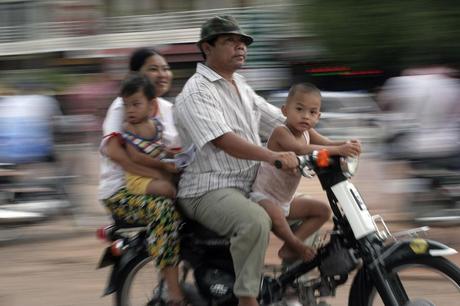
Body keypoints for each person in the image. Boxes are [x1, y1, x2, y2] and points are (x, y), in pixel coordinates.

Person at [173, 15, 299, 306]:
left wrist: (332, 145)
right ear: (207, 47)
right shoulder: (196, 91)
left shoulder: (240, 85)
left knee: (312, 210)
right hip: (207, 189)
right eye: (230, 41)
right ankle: (247, 299)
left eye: (242, 42)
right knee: (255, 220)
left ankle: (290, 284)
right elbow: (223, 140)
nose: (240, 47)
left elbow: (281, 122)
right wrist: (273, 156)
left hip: (247, 185)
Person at [99, 48, 187, 305]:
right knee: (163, 209)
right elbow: (119, 155)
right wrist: (160, 173)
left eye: (165, 68)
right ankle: (173, 292)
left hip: (160, 180)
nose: (162, 74)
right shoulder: (124, 106)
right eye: (153, 68)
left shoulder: (169, 109)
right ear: (135, 75)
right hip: (121, 191)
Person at [251, 83, 361, 262]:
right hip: (263, 197)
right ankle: (295, 244)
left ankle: (288, 249)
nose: (305, 116)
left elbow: (327, 143)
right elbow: (301, 149)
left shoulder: (307, 131)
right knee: (277, 216)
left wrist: (349, 144)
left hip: (286, 200)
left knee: (323, 211)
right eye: (299, 109)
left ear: (318, 116)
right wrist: (340, 149)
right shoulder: (281, 132)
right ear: (285, 110)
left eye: (312, 112)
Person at [120, 73, 178, 199]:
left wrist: (172, 155)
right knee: (167, 189)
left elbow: (159, 148)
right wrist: (162, 165)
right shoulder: (130, 128)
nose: (129, 110)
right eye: (126, 105)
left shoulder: (157, 125)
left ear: (151, 105)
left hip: (158, 171)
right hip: (139, 178)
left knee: (183, 178)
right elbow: (136, 157)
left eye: (135, 104)